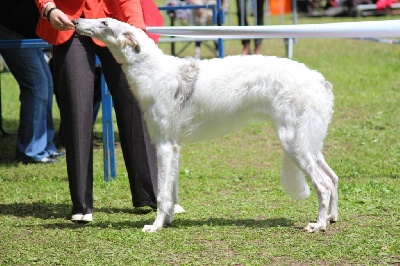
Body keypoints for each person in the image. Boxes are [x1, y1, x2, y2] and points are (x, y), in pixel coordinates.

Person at [34, 0, 167, 223]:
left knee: (134, 103)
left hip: (113, 20)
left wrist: (136, 30)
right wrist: (49, 8)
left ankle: (152, 195)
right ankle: (82, 204)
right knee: (76, 109)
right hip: (67, 20)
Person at [0, 0, 61, 164]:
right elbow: (23, 16)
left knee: (46, 83)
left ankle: (46, 146)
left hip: (23, 30)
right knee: (37, 86)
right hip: (12, 29)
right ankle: (31, 151)